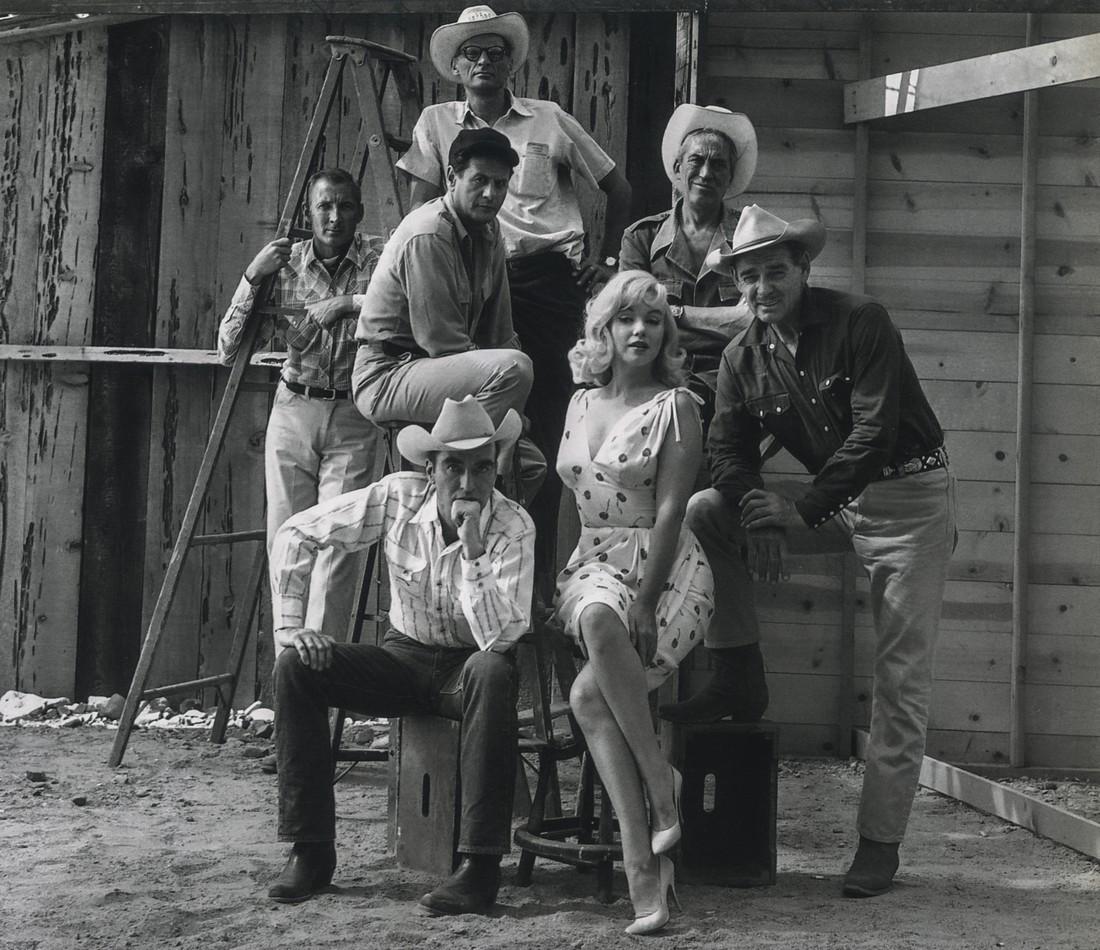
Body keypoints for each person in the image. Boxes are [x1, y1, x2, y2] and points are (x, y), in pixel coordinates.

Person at [672, 204, 957, 898]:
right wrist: (761, 517)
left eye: (775, 271)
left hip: (909, 503)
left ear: (804, 268)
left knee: (899, 678)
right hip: (833, 507)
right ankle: (738, 670)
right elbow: (726, 451)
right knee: (708, 509)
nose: (762, 288)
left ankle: (878, 845)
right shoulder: (743, 357)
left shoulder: (862, 322)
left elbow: (874, 435)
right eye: (748, 278)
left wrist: (796, 507)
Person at [266, 396, 535, 916]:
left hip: (469, 668)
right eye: (453, 467)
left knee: (492, 671)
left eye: (482, 467)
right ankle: (311, 851)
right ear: (429, 468)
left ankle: (479, 870)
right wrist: (292, 628)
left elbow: (500, 638)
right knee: (296, 667)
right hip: (404, 658)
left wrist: (474, 549)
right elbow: (297, 533)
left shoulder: (514, 526)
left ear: (495, 466)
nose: (467, 483)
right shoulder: (396, 497)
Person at [397, 5, 633, 589]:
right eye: (472, 53)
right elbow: (419, 213)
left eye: (496, 52)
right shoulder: (436, 123)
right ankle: (463, 576)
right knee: (470, 429)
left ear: (511, 63)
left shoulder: (547, 119)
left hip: (544, 285)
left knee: (548, 431)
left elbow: (616, 186)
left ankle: (538, 579)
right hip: (468, 284)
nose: (484, 62)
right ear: (456, 65)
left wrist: (605, 263)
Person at [554, 271, 714, 935]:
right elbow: (571, 497)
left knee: (590, 699)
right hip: (593, 566)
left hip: (666, 569)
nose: (641, 331)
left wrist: (647, 602)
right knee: (592, 610)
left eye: (653, 320)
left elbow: (675, 505)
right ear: (606, 330)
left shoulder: (678, 405)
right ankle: (660, 784)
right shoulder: (579, 404)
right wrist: (555, 581)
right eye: (627, 319)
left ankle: (643, 870)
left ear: (667, 333)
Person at [621, 106, 768, 722]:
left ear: (732, 175)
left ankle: (709, 678)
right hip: (655, 391)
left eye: (719, 164)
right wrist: (672, 322)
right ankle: (631, 669)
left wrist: (671, 316)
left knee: (697, 517)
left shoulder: (750, 234)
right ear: (677, 172)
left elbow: (750, 319)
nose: (706, 171)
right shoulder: (642, 236)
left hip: (731, 393)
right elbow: (628, 317)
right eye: (696, 162)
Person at [218, 167, 383, 647]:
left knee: (339, 542)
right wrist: (253, 275)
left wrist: (348, 302)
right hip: (295, 406)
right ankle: (290, 662)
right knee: (287, 538)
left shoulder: (378, 256)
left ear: (360, 211)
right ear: (308, 214)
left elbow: (410, 303)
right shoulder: (285, 264)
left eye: (345, 206)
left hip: (354, 410)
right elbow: (228, 347)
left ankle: (322, 677)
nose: (335, 217)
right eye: (324, 207)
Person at [353, 126, 544, 500]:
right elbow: (442, 344)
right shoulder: (428, 233)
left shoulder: (489, 233)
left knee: (532, 465)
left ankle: (474, 514)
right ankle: (454, 479)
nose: (491, 194)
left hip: (441, 376)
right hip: (388, 374)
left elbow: (502, 335)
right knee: (514, 369)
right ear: (452, 177)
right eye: (480, 181)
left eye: (501, 184)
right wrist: (511, 416)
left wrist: (515, 413)